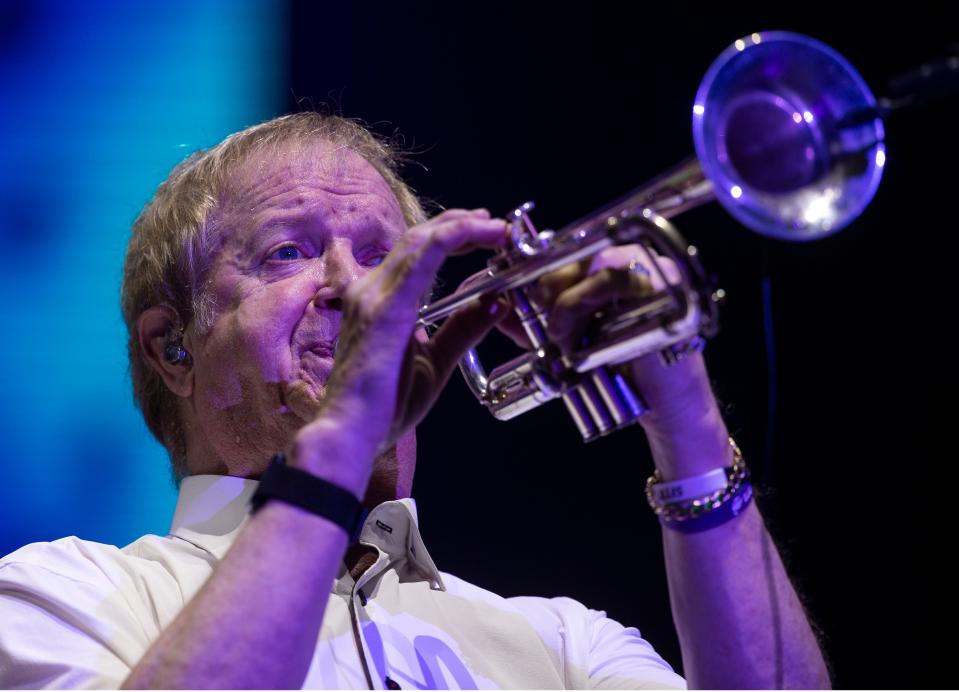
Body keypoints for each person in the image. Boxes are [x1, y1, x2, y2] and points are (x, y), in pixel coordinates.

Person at [0, 113, 830, 689]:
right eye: (288, 252)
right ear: (171, 348)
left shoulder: (563, 643)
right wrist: (337, 439)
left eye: (381, 257)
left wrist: (683, 411)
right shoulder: (59, 595)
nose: (354, 289)